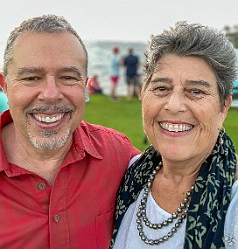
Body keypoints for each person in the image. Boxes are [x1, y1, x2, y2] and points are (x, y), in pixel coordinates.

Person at [0, 14, 140, 249]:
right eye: (32, 77)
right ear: (4, 86)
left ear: (86, 85)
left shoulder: (118, 154)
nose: (51, 94)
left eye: (68, 77)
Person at [110, 21, 238, 248]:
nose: (174, 105)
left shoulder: (233, 200)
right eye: (161, 88)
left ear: (223, 108)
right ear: (143, 94)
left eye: (196, 91)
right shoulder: (127, 176)